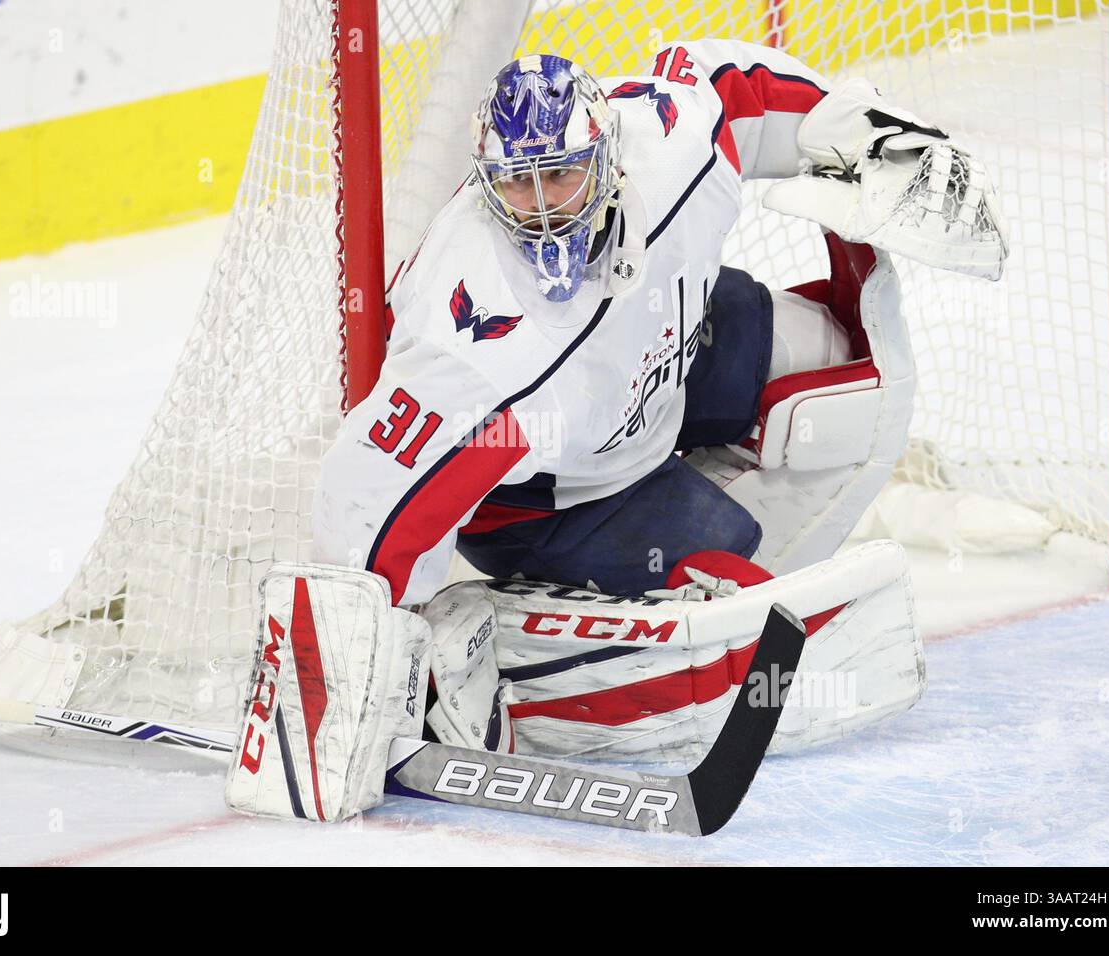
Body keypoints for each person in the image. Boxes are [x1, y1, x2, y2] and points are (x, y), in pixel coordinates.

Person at [227, 42, 1006, 823]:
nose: (544, 206)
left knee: (844, 384)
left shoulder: (666, 147)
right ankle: (498, 647)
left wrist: (867, 131)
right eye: (518, 186)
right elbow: (368, 499)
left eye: (560, 174)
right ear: (488, 188)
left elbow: (735, 89)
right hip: (558, 497)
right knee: (729, 595)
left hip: (670, 349)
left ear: (607, 155)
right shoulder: (475, 348)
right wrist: (351, 673)